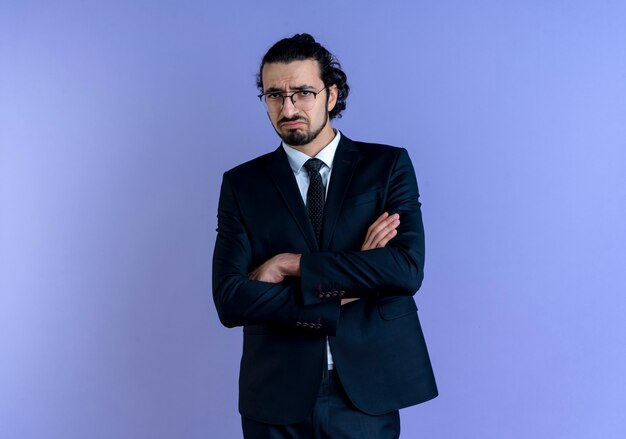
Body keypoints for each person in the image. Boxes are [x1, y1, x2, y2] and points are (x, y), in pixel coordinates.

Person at [212, 33, 437, 439]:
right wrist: (358, 280)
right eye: (274, 95)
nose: (288, 107)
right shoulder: (242, 185)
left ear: (332, 95)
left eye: (303, 92)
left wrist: (290, 265)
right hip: (275, 395)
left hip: (367, 389)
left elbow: (404, 270)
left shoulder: (386, 166)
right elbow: (230, 300)